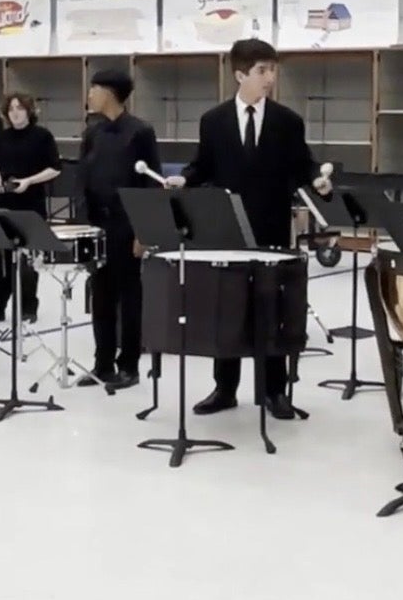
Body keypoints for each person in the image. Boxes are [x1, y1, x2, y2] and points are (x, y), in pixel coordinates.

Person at [166, 38, 329, 420]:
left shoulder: (287, 121)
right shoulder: (214, 120)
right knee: (226, 309)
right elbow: (203, 165)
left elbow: (303, 165)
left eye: (273, 70)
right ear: (240, 75)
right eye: (261, 71)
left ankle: (274, 391)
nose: (269, 78)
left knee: (271, 309)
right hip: (227, 230)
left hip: (271, 229)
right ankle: (225, 389)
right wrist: (184, 179)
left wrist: (318, 181)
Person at [78, 69, 162, 390]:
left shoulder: (140, 132)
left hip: (127, 224)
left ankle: (129, 364)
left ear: (110, 93)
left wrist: (144, 231)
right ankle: (102, 363)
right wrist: (84, 223)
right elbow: (83, 180)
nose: (89, 94)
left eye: (94, 88)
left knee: (129, 297)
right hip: (98, 225)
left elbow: (150, 183)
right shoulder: (92, 132)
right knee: (100, 295)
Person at [0, 92, 62, 324]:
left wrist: (28, 181)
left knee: (28, 259)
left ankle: (28, 308)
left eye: (19, 108)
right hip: (4, 203)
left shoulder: (42, 136)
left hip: (30, 203)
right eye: (11, 109)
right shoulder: (3, 137)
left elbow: (55, 168)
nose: (15, 113)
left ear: (29, 111)